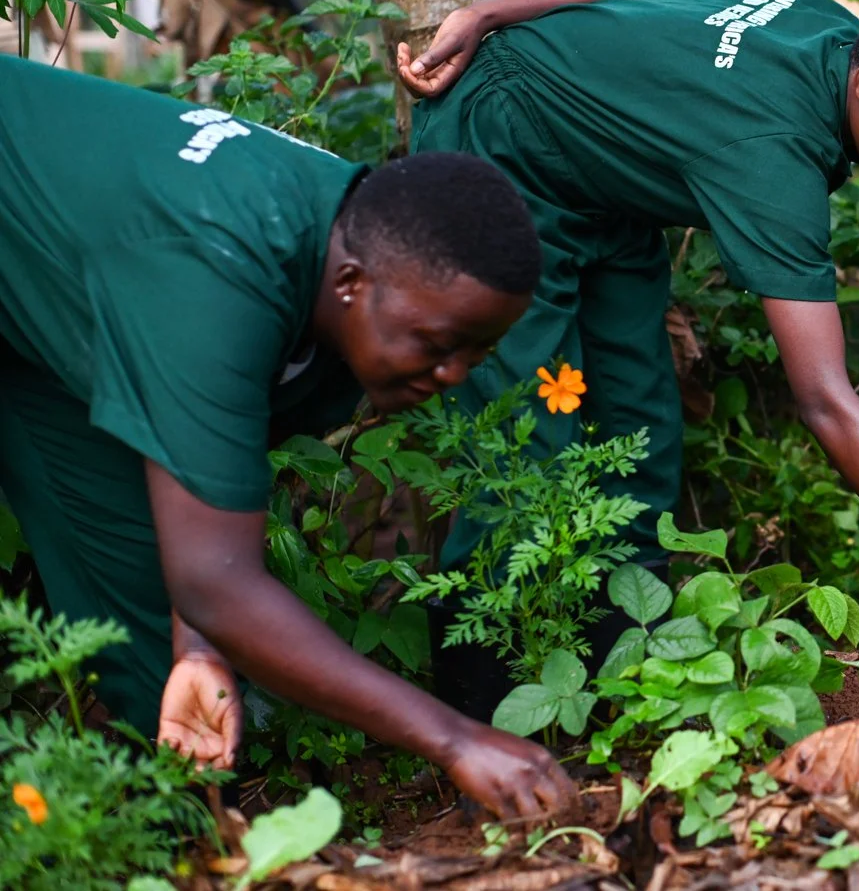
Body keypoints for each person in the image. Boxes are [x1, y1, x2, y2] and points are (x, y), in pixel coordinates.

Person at [395, 0, 859, 700]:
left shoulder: (833, 36)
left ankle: (609, 686)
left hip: (604, 187)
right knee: (525, 451)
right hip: (498, 147)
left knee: (640, 426)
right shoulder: (773, 153)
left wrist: (488, 7)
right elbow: (825, 399)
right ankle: (476, 722)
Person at [0, 56, 576, 820]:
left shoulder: (350, 244)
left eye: (477, 352)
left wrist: (199, 647)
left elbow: (204, 503)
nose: (452, 373)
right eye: (439, 342)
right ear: (350, 287)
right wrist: (454, 738)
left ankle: (175, 837)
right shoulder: (217, 277)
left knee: (141, 596)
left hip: (46, 290)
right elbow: (216, 581)